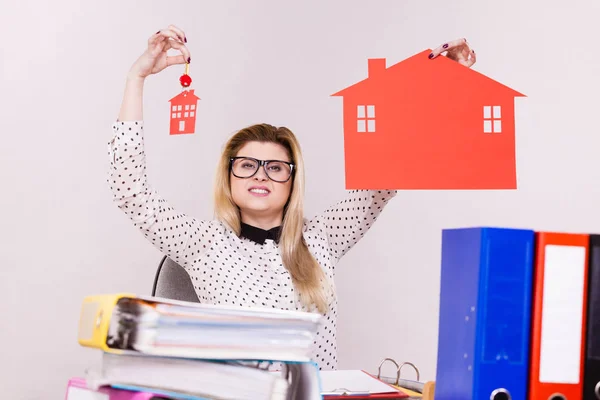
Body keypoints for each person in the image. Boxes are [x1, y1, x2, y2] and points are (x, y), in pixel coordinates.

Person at [108, 24, 477, 371]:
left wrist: (437, 87)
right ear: (229, 175)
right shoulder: (201, 242)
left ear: (291, 181)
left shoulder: (322, 237)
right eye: (248, 165)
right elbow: (130, 192)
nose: (260, 175)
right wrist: (135, 79)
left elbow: (387, 174)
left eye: (276, 167)